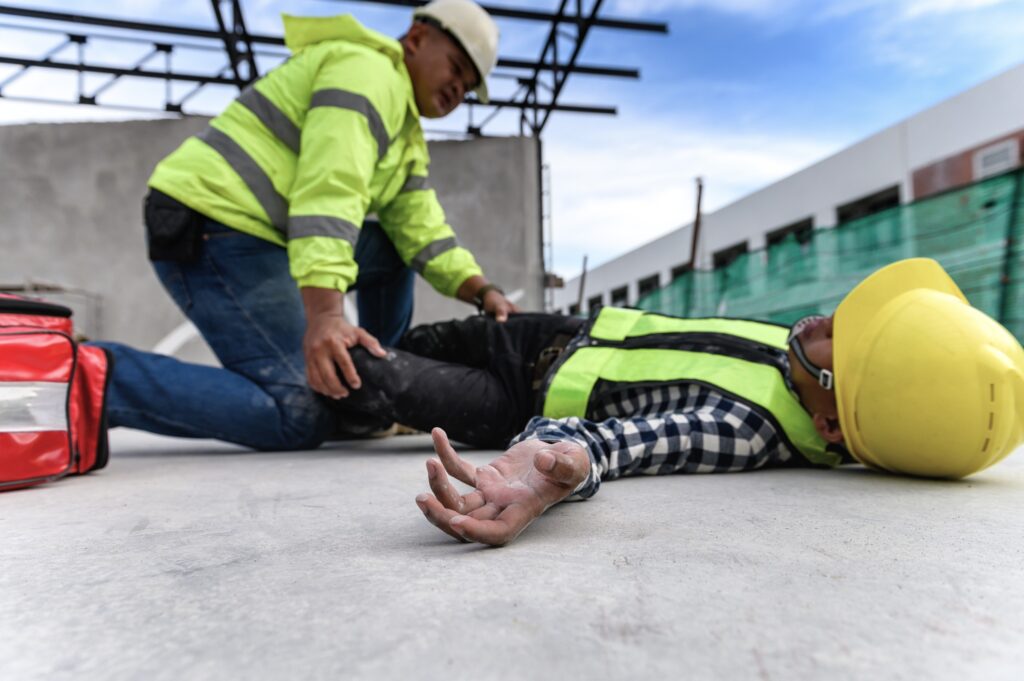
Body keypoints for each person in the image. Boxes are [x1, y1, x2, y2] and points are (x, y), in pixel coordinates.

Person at [330, 258, 1024, 546]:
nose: (827, 319)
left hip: (512, 393)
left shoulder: (750, 430)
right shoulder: (797, 350)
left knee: (356, 369)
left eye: (842, 339)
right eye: (848, 313)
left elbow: (636, 441)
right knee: (398, 340)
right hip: (559, 331)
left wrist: (549, 462)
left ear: (830, 424)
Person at [92, 0, 519, 450]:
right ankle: (99, 375)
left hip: (259, 235)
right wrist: (327, 317)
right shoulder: (367, 74)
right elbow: (329, 191)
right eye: (456, 68)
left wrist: (482, 290)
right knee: (298, 412)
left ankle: (373, 391)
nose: (458, 88)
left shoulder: (406, 137)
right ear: (415, 39)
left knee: (395, 249)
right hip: (210, 226)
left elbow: (420, 228)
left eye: (468, 87)